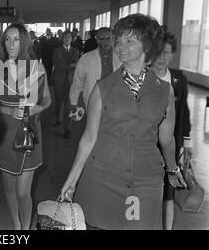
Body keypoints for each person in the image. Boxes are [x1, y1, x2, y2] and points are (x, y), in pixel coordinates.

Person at [60, 14, 187, 230]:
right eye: (119, 40)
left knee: (138, 225)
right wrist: (71, 180)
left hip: (145, 180)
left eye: (130, 41)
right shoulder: (102, 88)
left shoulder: (164, 92)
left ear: (147, 45)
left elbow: (166, 139)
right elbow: (89, 138)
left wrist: (173, 169)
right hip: (103, 175)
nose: (120, 46)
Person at [0, 23, 51, 230]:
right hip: (5, 130)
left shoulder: (37, 67)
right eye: (7, 39)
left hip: (28, 130)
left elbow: (48, 99)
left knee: (23, 191)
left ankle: (27, 228)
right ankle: (16, 225)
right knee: (7, 184)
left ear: (24, 41)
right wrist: (8, 111)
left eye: (16, 39)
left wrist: (38, 108)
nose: (11, 44)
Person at [151, 30, 192, 230]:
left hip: (171, 146)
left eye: (166, 53)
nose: (161, 58)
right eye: (158, 52)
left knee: (169, 192)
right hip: (146, 146)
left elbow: (184, 111)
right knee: (147, 192)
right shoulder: (140, 77)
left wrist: (186, 142)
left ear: (173, 54)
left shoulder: (179, 79)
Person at [69, 27, 122, 115]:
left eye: (108, 38)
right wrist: (73, 102)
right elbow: (77, 81)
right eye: (101, 38)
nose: (105, 41)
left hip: (116, 101)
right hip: (94, 100)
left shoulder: (122, 57)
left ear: (113, 38)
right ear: (97, 40)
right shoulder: (87, 58)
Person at [51, 30, 79, 137]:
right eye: (65, 37)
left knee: (69, 105)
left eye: (69, 37)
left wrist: (67, 65)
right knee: (59, 102)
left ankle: (68, 128)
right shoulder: (56, 51)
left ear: (72, 39)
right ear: (62, 39)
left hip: (71, 81)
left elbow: (75, 64)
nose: (67, 39)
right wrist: (71, 65)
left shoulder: (76, 51)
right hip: (59, 80)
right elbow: (57, 65)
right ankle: (58, 118)